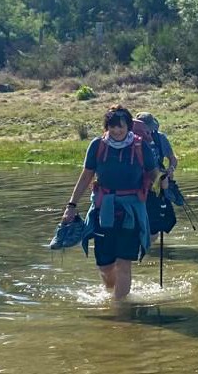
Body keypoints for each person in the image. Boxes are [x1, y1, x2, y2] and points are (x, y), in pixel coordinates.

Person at [60, 106, 157, 316]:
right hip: (103, 209)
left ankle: (119, 309)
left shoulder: (141, 147)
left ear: (128, 126)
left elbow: (152, 172)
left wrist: (148, 188)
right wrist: (71, 206)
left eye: (120, 128)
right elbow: (86, 176)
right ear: (107, 127)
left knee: (124, 262)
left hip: (131, 211)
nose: (116, 132)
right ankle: (112, 293)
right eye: (112, 128)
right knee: (105, 265)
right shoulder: (97, 146)